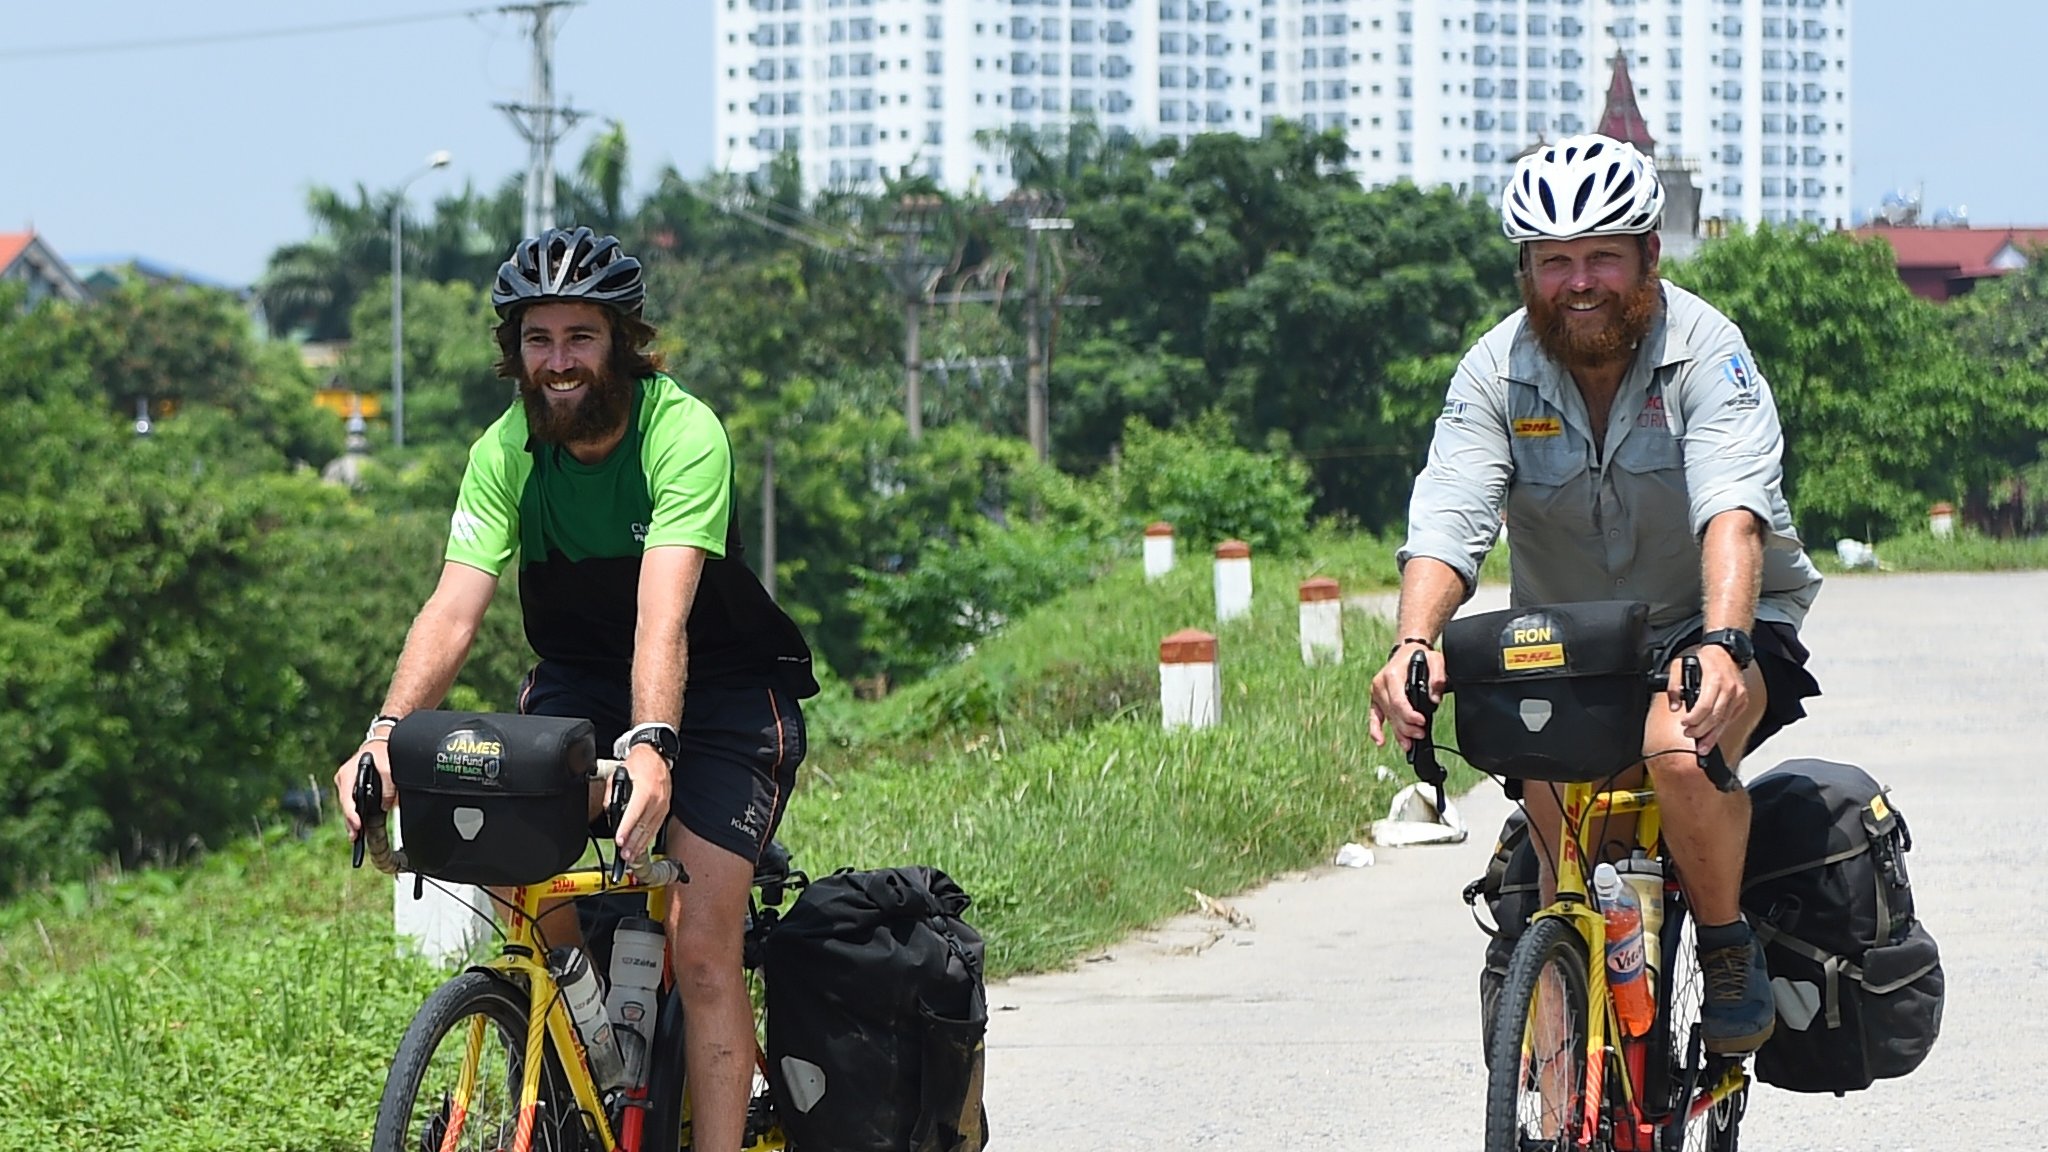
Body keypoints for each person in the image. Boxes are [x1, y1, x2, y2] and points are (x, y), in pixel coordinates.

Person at [335, 226, 819, 1148]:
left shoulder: (682, 432)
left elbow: (661, 618)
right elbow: (452, 609)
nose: (559, 362)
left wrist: (651, 745)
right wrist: (384, 734)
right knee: (524, 882)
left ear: (622, 344)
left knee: (703, 944)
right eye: (539, 340)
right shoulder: (506, 450)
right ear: (515, 353)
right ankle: (587, 1052)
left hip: (716, 697)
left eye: (581, 338)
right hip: (577, 682)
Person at [1367, 135, 1822, 1057]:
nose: (1582, 282)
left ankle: (1729, 947)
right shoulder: (1495, 373)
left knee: (1680, 749)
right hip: (1573, 641)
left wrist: (1726, 645)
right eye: (1556, 262)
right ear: (1527, 271)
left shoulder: (1707, 354)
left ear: (1649, 257)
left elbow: (1732, 513)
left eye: (1605, 255)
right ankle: (1561, 1043)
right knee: (1556, 835)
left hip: (1718, 621)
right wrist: (1414, 644)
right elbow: (1452, 515)